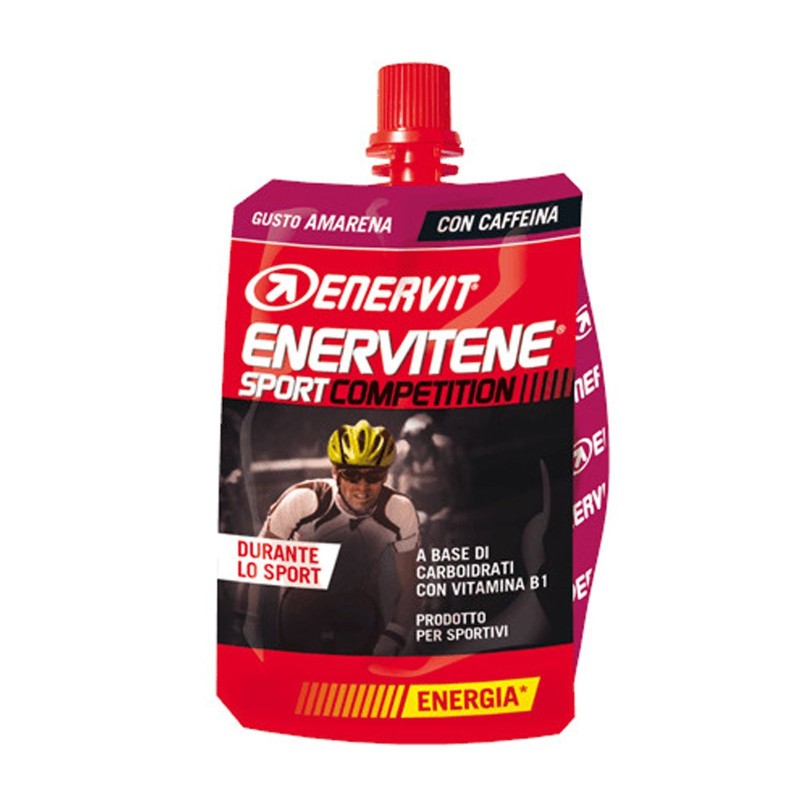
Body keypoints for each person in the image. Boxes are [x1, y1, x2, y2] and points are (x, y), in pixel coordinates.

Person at [244, 419, 419, 656]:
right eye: (352, 475)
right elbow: (258, 564)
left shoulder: (399, 510)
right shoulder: (303, 500)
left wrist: (394, 635)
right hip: (301, 611)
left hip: (360, 613)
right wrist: (252, 625)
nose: (362, 487)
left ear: (386, 475)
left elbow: (410, 584)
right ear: (335, 472)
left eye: (373, 476)